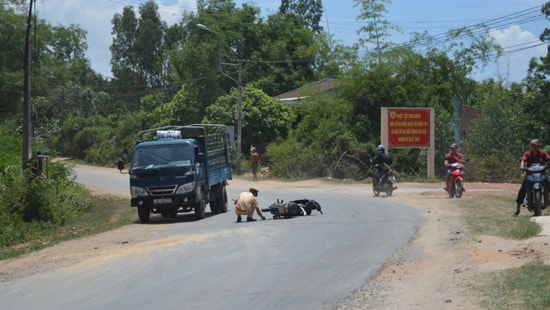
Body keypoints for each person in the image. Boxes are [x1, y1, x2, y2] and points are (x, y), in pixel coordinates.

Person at [513, 139, 550, 216]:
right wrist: (522, 167)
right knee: (522, 190)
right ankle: (517, 210)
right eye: (532, 146)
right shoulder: (527, 154)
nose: (534, 147)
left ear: (538, 146)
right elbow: (523, 160)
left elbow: (548, 158)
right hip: (530, 175)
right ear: (530, 146)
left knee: (548, 182)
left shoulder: (543, 153)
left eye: (535, 146)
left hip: (542, 175)